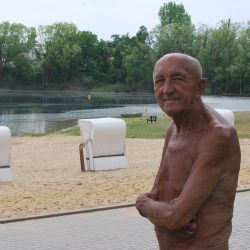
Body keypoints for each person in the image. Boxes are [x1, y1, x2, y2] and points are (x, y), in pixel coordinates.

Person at [135, 53, 241, 250]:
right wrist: (164, 217)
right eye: (159, 81)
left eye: (178, 79)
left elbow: (174, 217)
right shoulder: (173, 130)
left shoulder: (218, 137)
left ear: (200, 87)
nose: (167, 89)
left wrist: (141, 203)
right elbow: (158, 197)